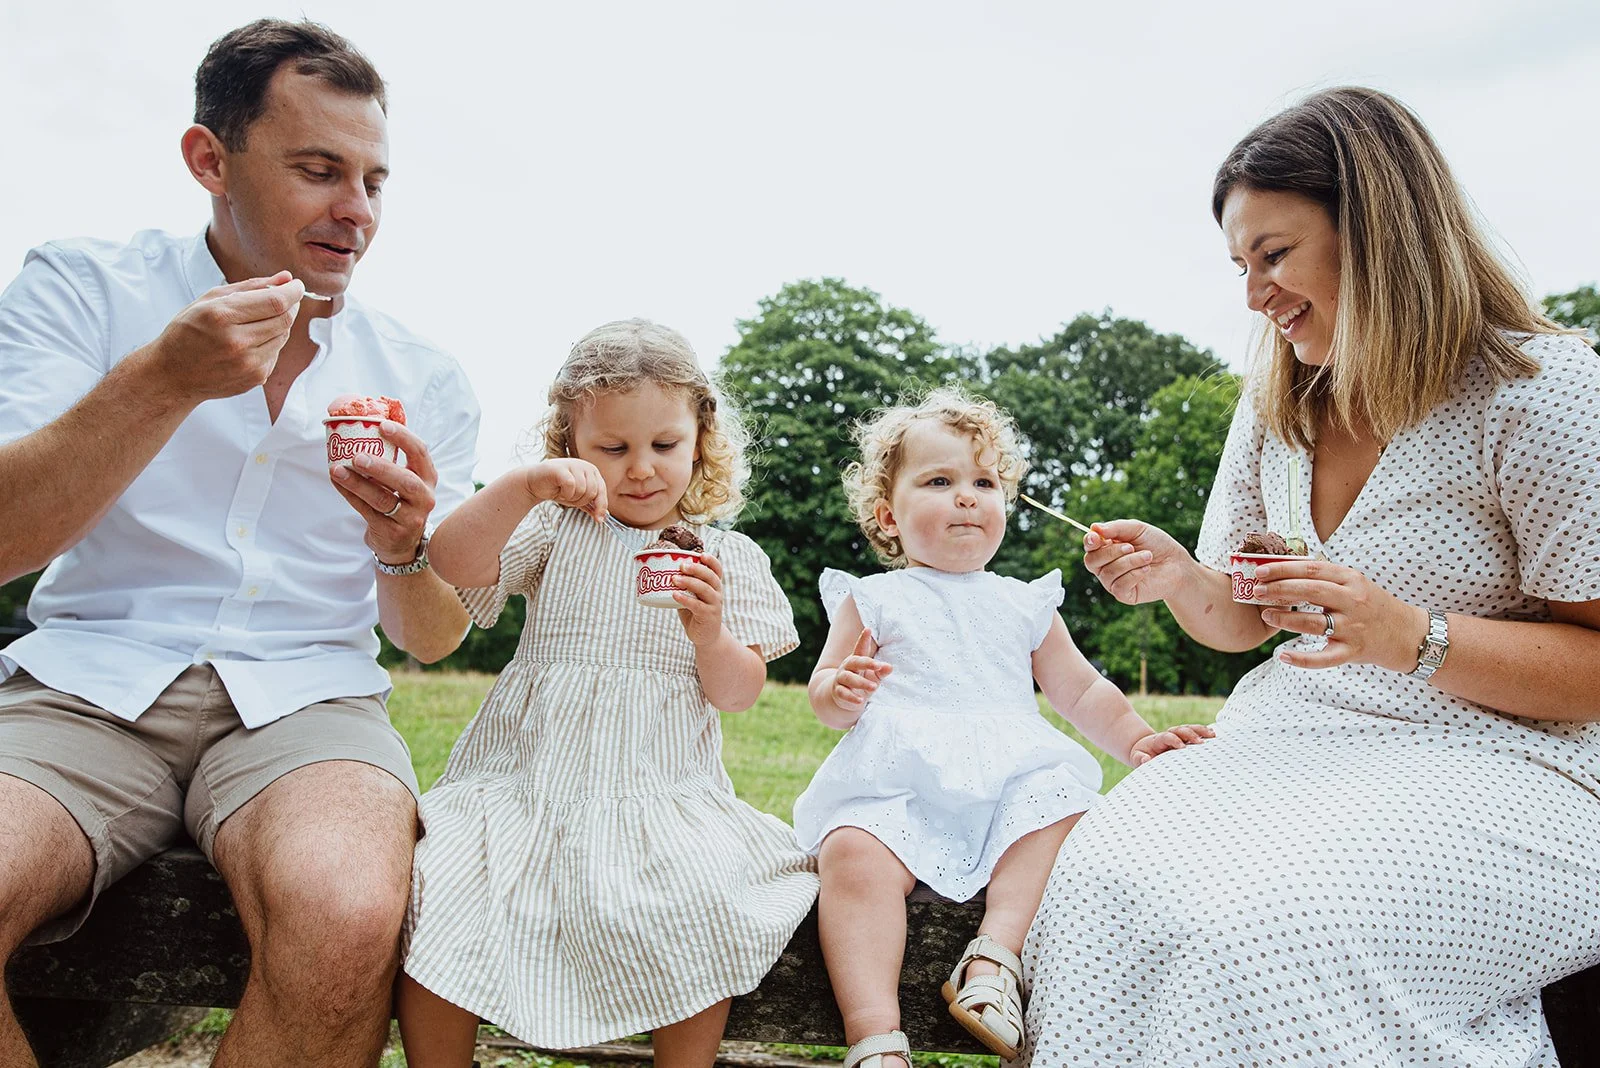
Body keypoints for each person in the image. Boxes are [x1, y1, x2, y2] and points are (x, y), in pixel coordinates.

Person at [1023, 86, 1600, 1066]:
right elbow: (1242, 622)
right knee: (1098, 885)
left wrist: (1409, 637)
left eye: (1274, 255)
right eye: (1241, 264)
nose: (1253, 294)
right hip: (1288, 743)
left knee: (1275, 932)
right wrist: (1178, 580)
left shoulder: (1541, 394)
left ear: (1379, 231)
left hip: (1514, 768)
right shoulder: (1276, 405)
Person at [0, 19, 479, 1068]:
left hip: (308, 699)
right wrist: (159, 380)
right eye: (319, 170)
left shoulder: (422, 374)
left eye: (375, 181)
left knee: (350, 916)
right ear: (208, 159)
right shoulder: (85, 291)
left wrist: (403, 547)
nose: (355, 212)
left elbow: (436, 639)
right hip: (87, 683)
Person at [396, 319, 818, 1068]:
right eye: (612, 448)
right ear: (571, 444)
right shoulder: (556, 528)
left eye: (664, 446)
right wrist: (525, 487)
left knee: (701, 900)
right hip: (524, 783)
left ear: (700, 440)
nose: (641, 470)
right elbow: (455, 561)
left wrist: (710, 632)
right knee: (443, 886)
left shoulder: (726, 555)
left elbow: (738, 693)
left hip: (660, 792)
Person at [794, 388, 1212, 1068]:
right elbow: (826, 692)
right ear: (887, 518)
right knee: (852, 853)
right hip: (901, 792)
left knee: (1065, 806)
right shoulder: (876, 598)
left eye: (984, 482)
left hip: (1007, 794)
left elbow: (1080, 689)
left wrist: (1135, 739)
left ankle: (991, 959)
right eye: (939, 481)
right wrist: (839, 692)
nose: (967, 497)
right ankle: (876, 1039)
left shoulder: (1024, 604)